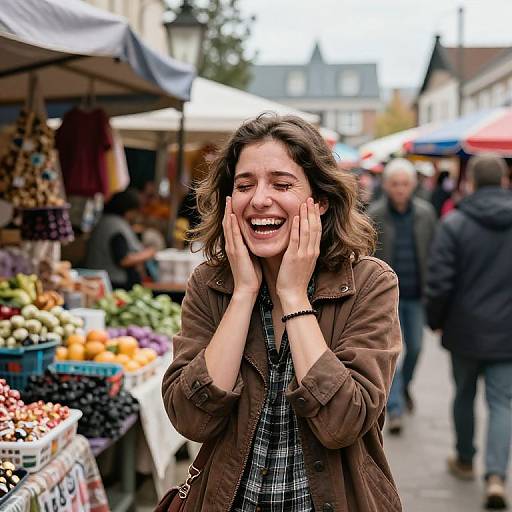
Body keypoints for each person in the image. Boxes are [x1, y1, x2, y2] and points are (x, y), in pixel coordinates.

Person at [161, 114, 402, 511]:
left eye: (281, 183)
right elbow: (191, 420)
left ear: (320, 200)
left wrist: (292, 295)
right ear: (228, 202)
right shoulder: (209, 284)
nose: (259, 200)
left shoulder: (369, 283)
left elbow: (343, 422)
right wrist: (243, 294)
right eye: (244, 185)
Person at [426, 154, 512, 510]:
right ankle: (495, 476)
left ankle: (464, 459)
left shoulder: (455, 223)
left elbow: (440, 281)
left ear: (471, 182)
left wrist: (435, 319)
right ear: (505, 180)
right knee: (502, 402)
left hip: (464, 329)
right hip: (507, 331)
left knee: (463, 394)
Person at [368, 158, 437, 435]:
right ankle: (394, 408)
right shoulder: (375, 214)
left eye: (405, 184)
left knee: (417, 348)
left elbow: (435, 253)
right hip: (387, 298)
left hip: (417, 295)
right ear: (386, 185)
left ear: (413, 186)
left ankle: (405, 386)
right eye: (395, 184)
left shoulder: (426, 214)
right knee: (391, 354)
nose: (400, 189)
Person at [85, 188, 155, 289]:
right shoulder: (115, 226)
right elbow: (123, 259)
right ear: (129, 210)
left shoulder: (105, 221)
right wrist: (149, 253)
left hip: (102, 279)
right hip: (113, 282)